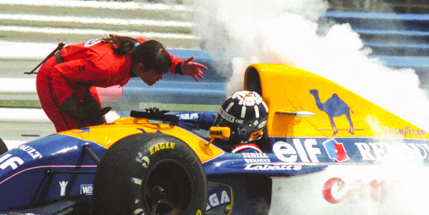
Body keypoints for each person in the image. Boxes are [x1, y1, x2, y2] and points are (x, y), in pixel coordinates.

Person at [36, 35, 207, 132]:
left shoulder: (140, 49)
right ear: (141, 67)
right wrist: (72, 106)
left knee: (99, 130)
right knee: (75, 134)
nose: (161, 78)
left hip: (79, 80)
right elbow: (59, 73)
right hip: (53, 77)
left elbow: (158, 52)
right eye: (158, 73)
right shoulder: (105, 67)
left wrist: (178, 66)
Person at [168, 90, 269, 152]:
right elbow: (202, 118)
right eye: (222, 119)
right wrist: (167, 118)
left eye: (228, 123)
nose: (220, 126)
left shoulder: (249, 152)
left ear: (247, 129)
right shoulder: (218, 125)